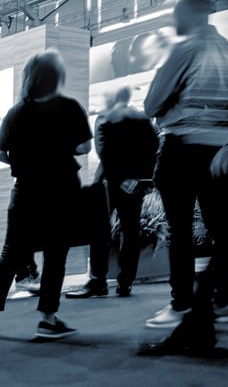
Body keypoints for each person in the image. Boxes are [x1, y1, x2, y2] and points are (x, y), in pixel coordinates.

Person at [140, 0, 228, 353]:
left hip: (182, 147)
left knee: (179, 230)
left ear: (188, 15)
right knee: (223, 227)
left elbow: (152, 102)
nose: (172, 20)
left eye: (175, 13)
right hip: (219, 150)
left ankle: (181, 303)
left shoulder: (183, 49)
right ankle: (225, 299)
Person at [0, 51, 92, 341]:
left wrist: (26, 160)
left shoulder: (16, 113)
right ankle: (47, 320)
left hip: (26, 191)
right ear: (57, 77)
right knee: (56, 256)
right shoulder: (70, 108)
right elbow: (84, 148)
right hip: (63, 189)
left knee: (10, 254)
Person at [68, 87, 159, 299]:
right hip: (133, 185)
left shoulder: (105, 118)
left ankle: (98, 281)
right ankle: (125, 282)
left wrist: (120, 179)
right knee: (130, 231)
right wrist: (138, 180)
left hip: (109, 182)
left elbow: (104, 152)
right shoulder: (144, 120)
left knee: (99, 231)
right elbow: (154, 150)